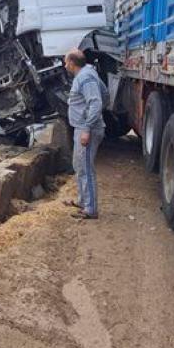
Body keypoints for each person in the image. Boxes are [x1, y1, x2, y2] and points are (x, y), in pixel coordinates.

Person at [64, 49, 108, 220]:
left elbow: (96, 102)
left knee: (86, 169)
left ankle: (90, 209)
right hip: (82, 128)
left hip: (86, 130)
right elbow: (104, 95)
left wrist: (88, 126)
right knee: (79, 165)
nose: (65, 65)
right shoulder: (89, 73)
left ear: (73, 63)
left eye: (66, 61)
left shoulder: (85, 77)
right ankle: (83, 201)